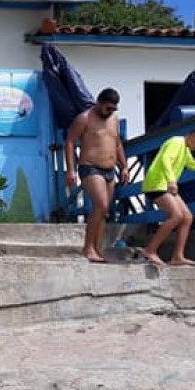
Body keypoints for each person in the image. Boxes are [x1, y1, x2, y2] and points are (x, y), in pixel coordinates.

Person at [139, 128, 195, 267]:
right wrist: (171, 180)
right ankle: (150, 250)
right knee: (176, 216)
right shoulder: (176, 141)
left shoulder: (186, 150)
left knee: (187, 217)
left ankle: (177, 256)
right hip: (156, 184)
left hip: (166, 186)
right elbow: (165, 160)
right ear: (194, 135)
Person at [64, 88, 129, 263]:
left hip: (109, 170)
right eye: (108, 108)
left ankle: (97, 249)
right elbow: (69, 142)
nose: (110, 112)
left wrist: (124, 167)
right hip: (90, 167)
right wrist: (71, 170)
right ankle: (87, 248)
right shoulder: (84, 118)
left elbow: (117, 143)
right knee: (100, 205)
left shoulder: (113, 120)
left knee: (104, 210)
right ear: (99, 103)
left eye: (114, 109)